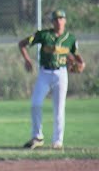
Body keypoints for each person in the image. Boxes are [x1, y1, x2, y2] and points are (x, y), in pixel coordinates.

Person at [19, 9, 85, 150]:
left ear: (65, 21)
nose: (59, 21)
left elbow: (77, 56)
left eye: (61, 18)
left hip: (61, 74)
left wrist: (81, 64)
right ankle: (37, 137)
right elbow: (22, 44)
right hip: (44, 73)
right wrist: (27, 60)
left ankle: (57, 141)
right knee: (35, 104)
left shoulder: (70, 38)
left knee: (59, 109)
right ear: (52, 22)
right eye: (56, 19)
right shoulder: (43, 35)